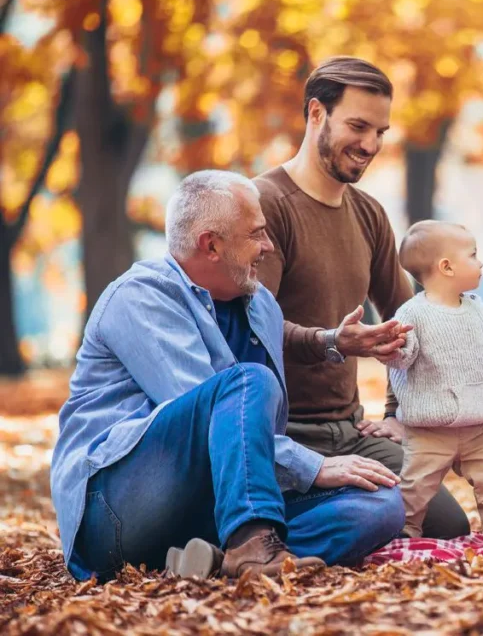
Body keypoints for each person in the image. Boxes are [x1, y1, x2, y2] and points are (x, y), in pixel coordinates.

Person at [50, 171, 405, 582]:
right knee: (249, 380)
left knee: (380, 505)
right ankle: (253, 547)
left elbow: (243, 444)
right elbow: (211, 414)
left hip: (210, 508)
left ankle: (215, 560)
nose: (268, 247)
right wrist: (313, 466)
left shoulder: (262, 308)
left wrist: (331, 345)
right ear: (211, 245)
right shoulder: (140, 296)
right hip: (112, 508)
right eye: (256, 234)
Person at [253, 56, 470, 539]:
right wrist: (332, 340)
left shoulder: (368, 214)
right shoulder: (265, 204)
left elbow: (410, 321)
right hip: (281, 438)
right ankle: (252, 527)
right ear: (315, 114)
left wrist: (399, 414)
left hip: (352, 434)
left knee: (447, 525)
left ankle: (322, 513)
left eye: (380, 132)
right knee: (386, 515)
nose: (370, 145)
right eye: (357, 126)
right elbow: (252, 330)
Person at [384, 221, 483, 544]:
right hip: (429, 429)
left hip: (478, 424)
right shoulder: (412, 314)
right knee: (416, 483)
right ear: (447, 267)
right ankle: (405, 529)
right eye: (473, 255)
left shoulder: (480, 312)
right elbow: (401, 360)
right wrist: (394, 347)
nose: (480, 262)